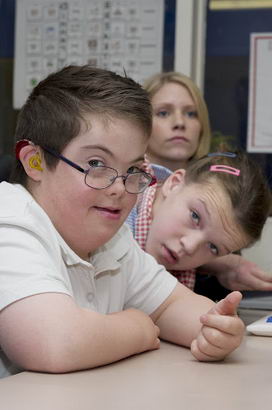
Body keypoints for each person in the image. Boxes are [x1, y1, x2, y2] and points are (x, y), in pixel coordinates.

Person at [0, 65, 256, 379]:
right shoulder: (11, 220)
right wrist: (137, 327)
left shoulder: (113, 241)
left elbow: (172, 307)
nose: (120, 188)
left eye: (133, 170)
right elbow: (55, 343)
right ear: (35, 162)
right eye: (96, 164)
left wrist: (217, 328)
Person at [137, 71, 272, 296]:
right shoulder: (116, 192)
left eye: (191, 114)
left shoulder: (226, 204)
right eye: (163, 112)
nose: (180, 123)